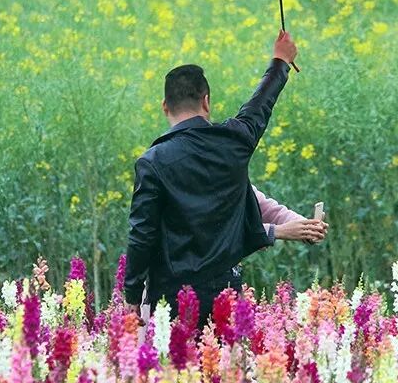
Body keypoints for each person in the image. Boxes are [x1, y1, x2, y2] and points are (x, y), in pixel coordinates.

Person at [124, 31, 325, 328]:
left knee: (176, 372)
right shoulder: (233, 142)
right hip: (225, 294)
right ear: (206, 102)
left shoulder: (152, 162)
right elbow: (258, 108)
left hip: (171, 299)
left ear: (165, 107)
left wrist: (132, 292)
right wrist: (280, 61)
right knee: (225, 371)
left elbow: (142, 234)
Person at [136, 184, 327, 322]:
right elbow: (211, 234)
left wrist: (305, 226)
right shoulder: (184, 177)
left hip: (221, 286)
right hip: (178, 291)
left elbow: (267, 208)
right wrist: (275, 231)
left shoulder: (229, 173)